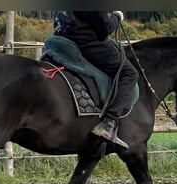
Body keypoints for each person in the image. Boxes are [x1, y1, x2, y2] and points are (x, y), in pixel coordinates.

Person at [54, 11, 139, 149]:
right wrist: (117, 17)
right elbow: (105, 29)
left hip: (61, 40)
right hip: (86, 44)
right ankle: (108, 122)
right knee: (130, 73)